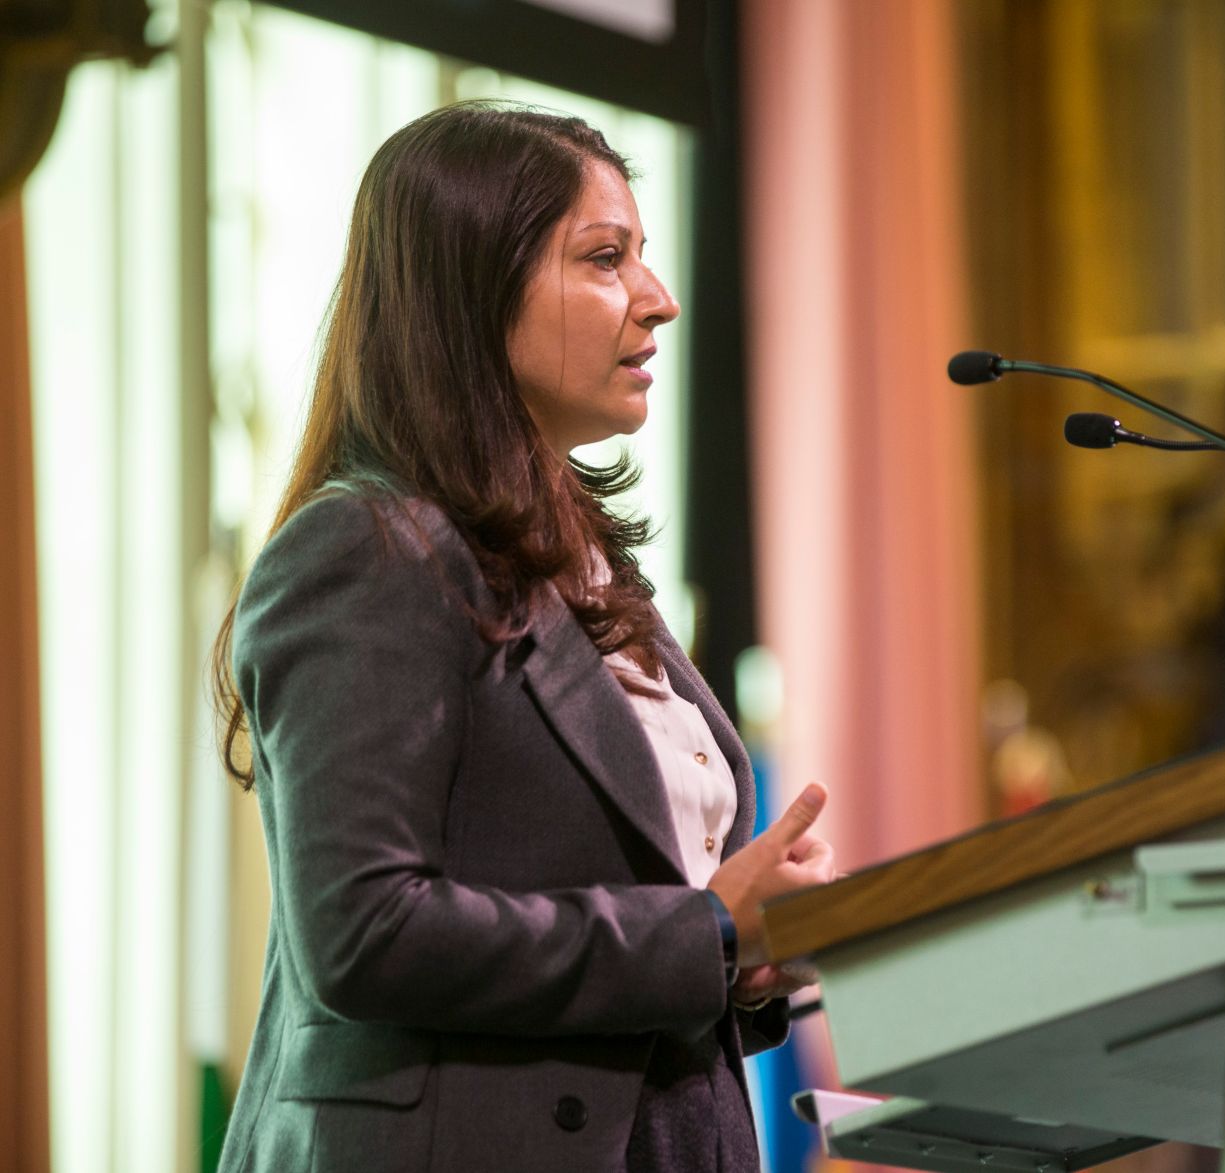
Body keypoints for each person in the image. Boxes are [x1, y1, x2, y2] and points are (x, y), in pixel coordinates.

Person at [210, 100, 836, 1173]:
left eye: (643, 256)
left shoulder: (586, 563)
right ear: (472, 292)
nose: (659, 299)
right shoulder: (366, 551)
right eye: (605, 259)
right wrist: (707, 934)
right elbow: (363, 933)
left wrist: (750, 957)